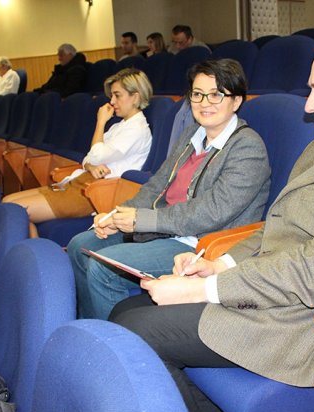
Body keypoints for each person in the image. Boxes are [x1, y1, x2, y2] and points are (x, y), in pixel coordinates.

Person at [110, 29, 314, 412]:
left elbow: (313, 273)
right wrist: (218, 265)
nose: (309, 105)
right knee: (125, 309)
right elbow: (279, 225)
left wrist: (200, 289)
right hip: (272, 288)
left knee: (137, 331)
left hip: (309, 318)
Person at [67, 58, 271, 320]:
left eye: (216, 95)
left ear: (236, 101)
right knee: (79, 246)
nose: (204, 103)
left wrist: (142, 220)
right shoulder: (191, 135)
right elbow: (157, 184)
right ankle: (90, 327)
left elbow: (212, 212)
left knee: (101, 268)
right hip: (163, 230)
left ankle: (113, 342)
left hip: (199, 243)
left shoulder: (247, 147)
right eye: (197, 94)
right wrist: (117, 217)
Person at [3, 68, 154, 225]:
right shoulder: (119, 126)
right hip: (82, 182)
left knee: (12, 210)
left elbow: (96, 156)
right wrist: (90, 166)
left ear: (135, 97)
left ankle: (29, 241)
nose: (112, 102)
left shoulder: (137, 129)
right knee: (8, 201)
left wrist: (101, 122)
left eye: (117, 95)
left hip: (97, 192)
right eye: (112, 96)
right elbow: (88, 158)